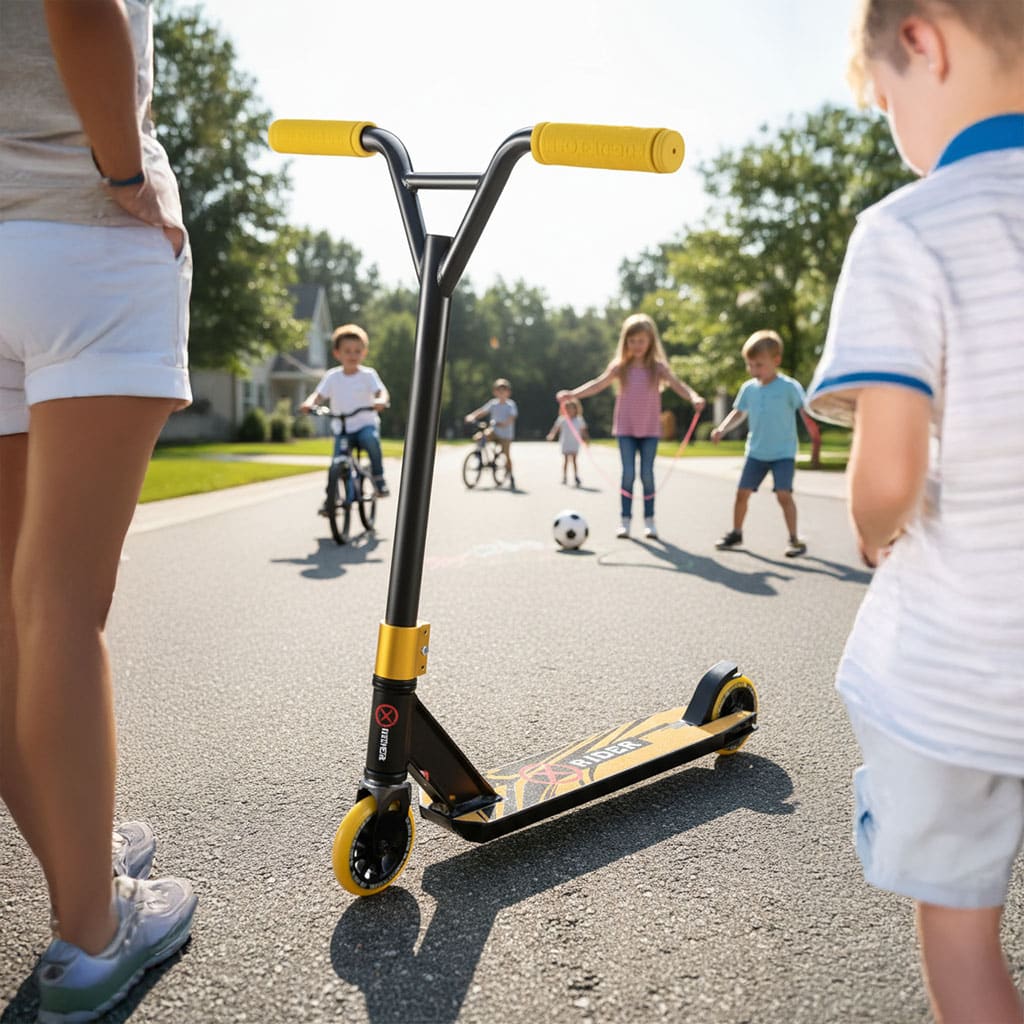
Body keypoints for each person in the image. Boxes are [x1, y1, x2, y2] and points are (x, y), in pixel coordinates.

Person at [805, 2, 1024, 1021]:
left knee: (963, 935)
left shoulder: (907, 230)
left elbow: (888, 475)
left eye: (885, 102)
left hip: (963, 679)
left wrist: (872, 522)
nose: (895, 126)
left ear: (922, 44)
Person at [0, 0, 198, 1020]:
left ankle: (79, 858)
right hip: (82, 241)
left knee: (11, 608)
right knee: (60, 607)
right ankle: (91, 932)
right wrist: (125, 173)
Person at [557, 313, 704, 539]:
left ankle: (649, 520)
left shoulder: (658, 368)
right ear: (625, 341)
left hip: (649, 429)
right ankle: (625, 520)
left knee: (647, 474)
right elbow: (597, 384)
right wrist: (573, 394)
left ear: (650, 341)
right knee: (627, 474)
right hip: (625, 429)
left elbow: (677, 384)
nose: (637, 345)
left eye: (641, 341)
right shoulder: (620, 367)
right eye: (632, 341)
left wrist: (693, 397)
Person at [710, 329, 817, 558]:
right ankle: (736, 533)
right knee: (742, 493)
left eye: (759, 365)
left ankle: (794, 539)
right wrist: (721, 429)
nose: (753, 370)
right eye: (750, 365)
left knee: (783, 495)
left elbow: (805, 411)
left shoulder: (789, 387)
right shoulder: (749, 389)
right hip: (756, 452)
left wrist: (814, 433)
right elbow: (738, 413)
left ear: (776, 361)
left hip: (783, 452)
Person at [300, 323, 391, 498]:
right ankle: (331, 498)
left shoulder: (368, 375)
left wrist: (381, 400)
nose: (352, 355)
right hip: (342, 429)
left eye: (357, 351)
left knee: (371, 441)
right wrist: (309, 403)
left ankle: (379, 478)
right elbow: (318, 395)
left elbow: (381, 392)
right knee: (336, 462)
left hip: (365, 425)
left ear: (364, 353)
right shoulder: (332, 377)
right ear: (337, 353)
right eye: (347, 351)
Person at [464, 378, 518, 489]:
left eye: (504, 391)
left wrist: (505, 423)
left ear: (508, 393)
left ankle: (510, 474)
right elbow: (482, 411)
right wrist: (472, 416)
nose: (501, 393)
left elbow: (512, 417)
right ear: (495, 392)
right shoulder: (493, 404)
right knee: (479, 437)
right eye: (499, 391)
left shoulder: (510, 405)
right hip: (494, 431)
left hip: (506, 434)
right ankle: (478, 457)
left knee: (506, 455)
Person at [546, 398, 589, 486]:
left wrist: (586, 440)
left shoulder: (579, 419)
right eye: (567, 408)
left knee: (574, 460)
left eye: (571, 408)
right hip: (565, 442)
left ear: (575, 409)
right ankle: (564, 476)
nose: (569, 410)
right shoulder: (562, 419)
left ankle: (576, 476)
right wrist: (551, 435)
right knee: (565, 460)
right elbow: (556, 428)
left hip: (575, 443)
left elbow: (584, 431)